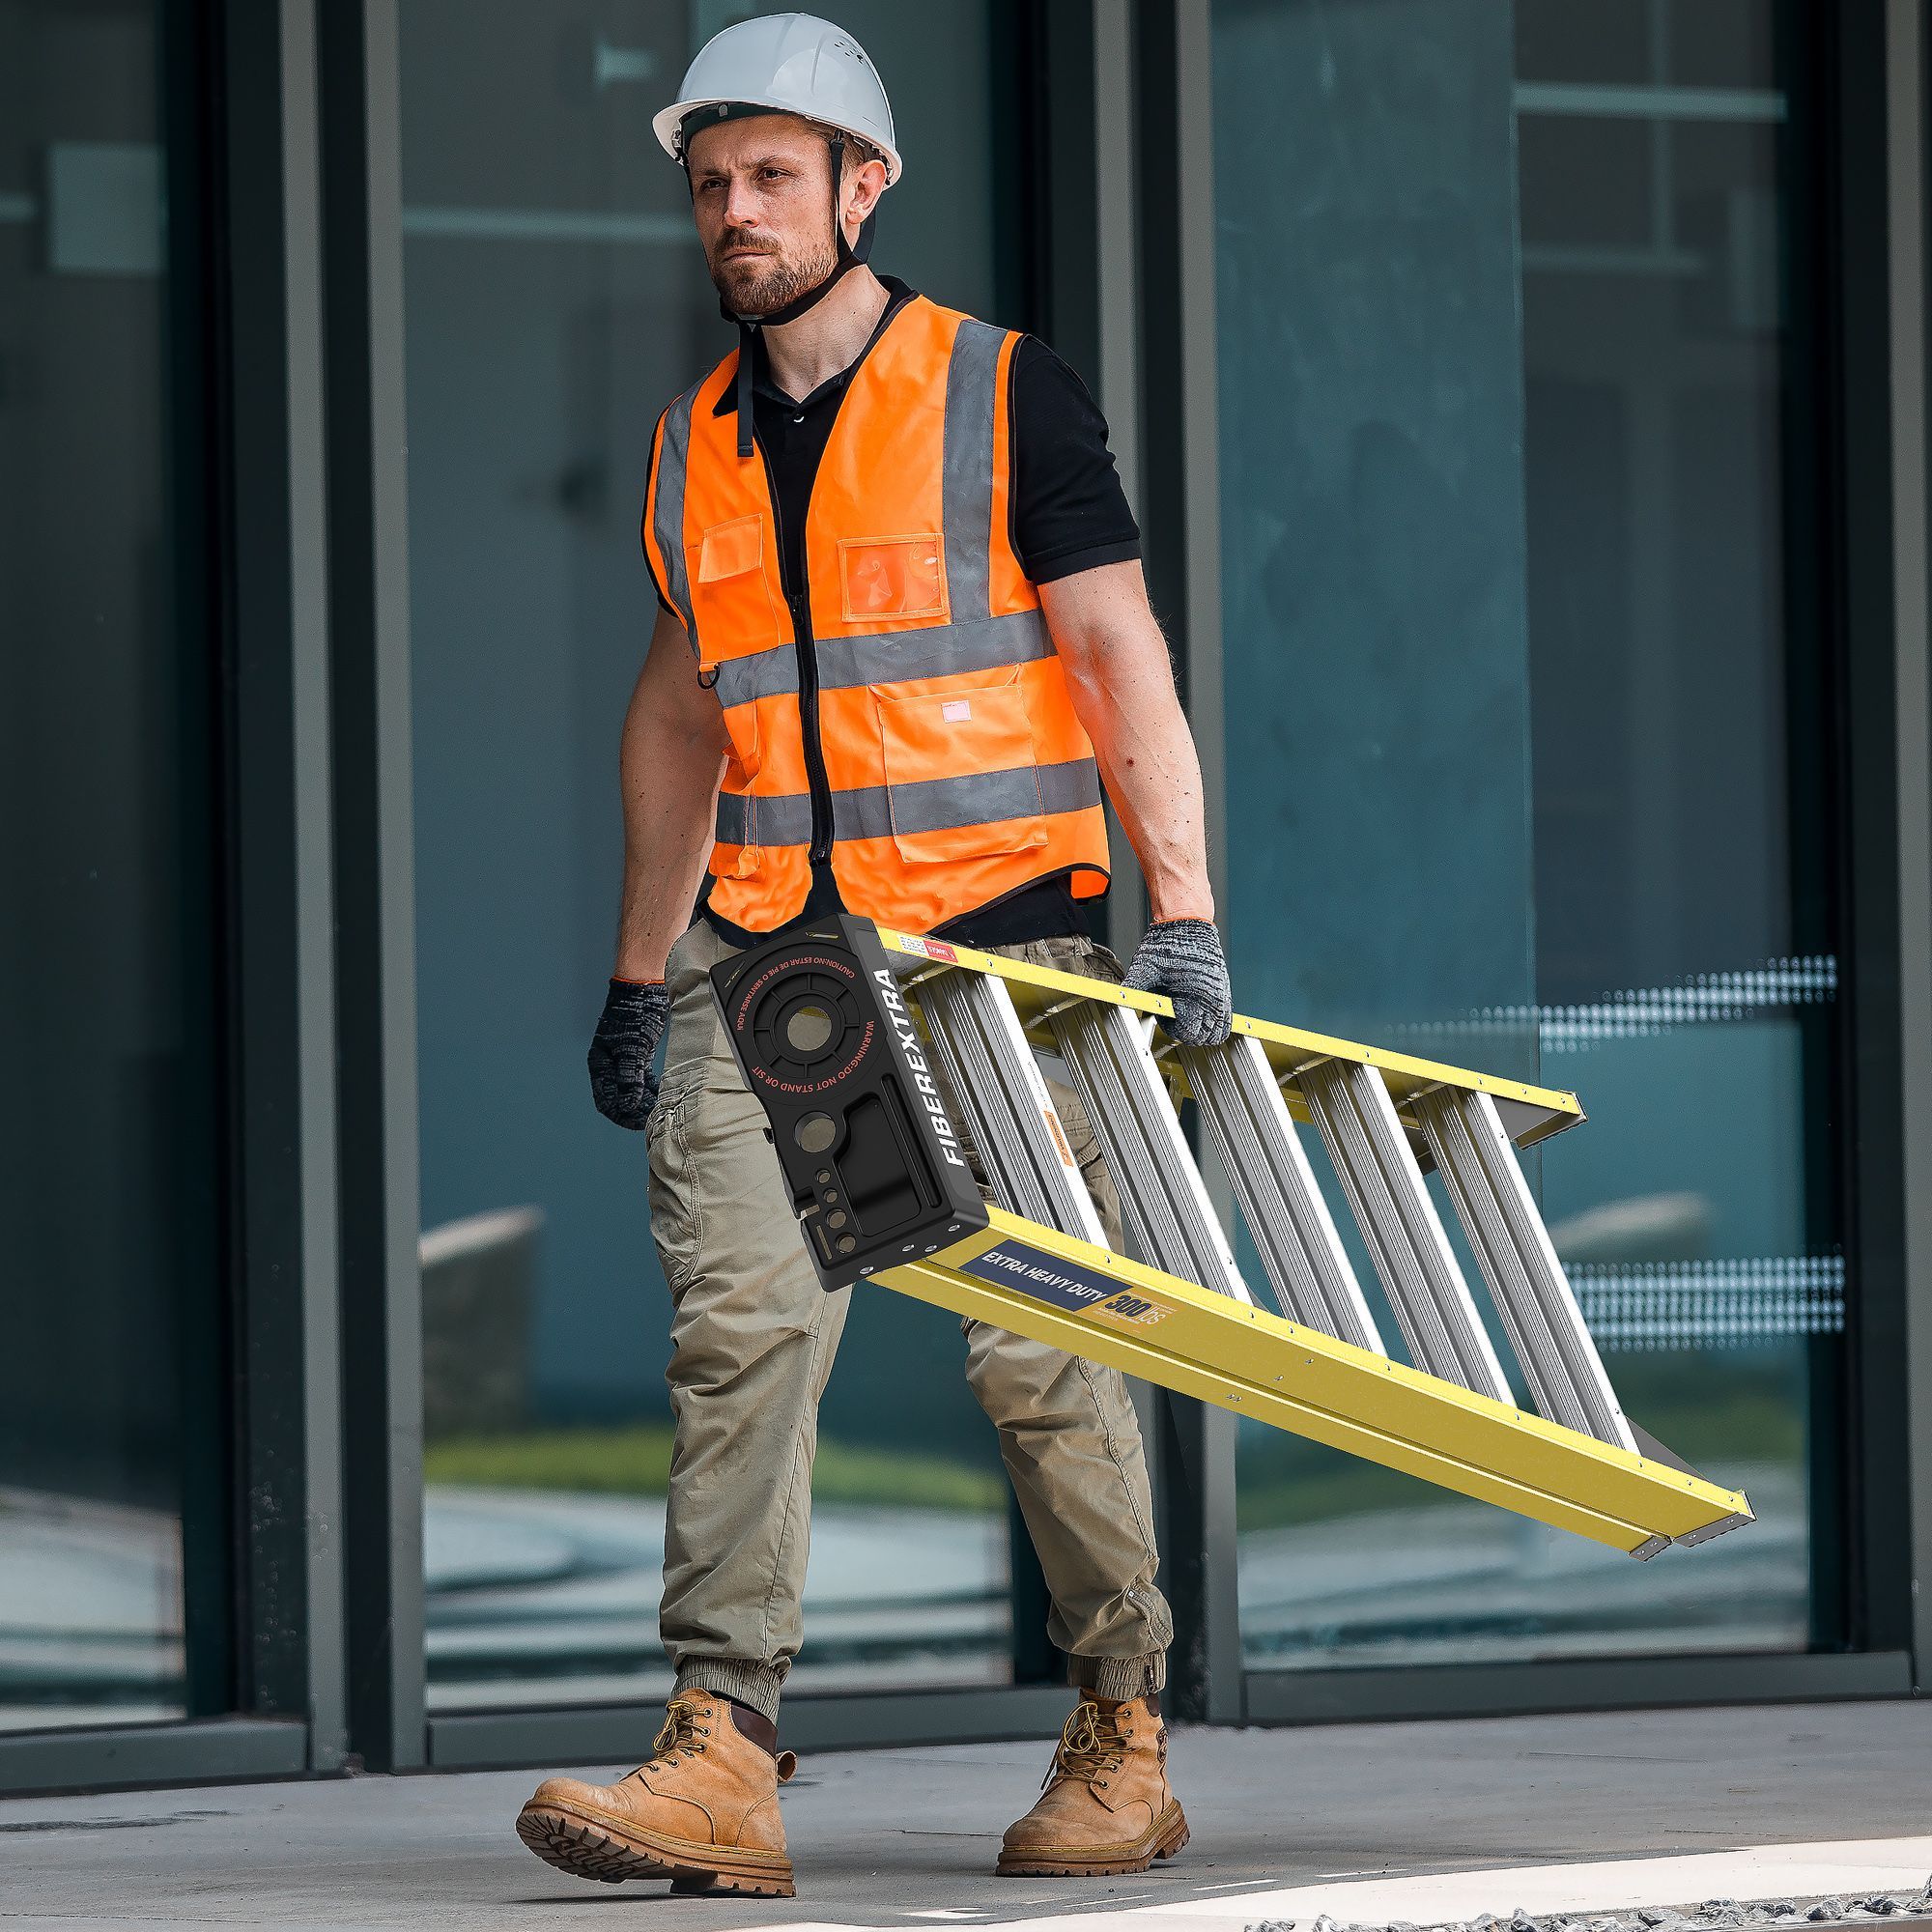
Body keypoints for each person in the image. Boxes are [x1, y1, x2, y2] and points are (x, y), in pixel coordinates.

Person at [515, 13, 1233, 1901]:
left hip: (996, 948)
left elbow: (1116, 656)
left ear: (862, 185)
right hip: (777, 965)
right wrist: (629, 969)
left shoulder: (1004, 394)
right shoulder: (696, 449)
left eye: (767, 176)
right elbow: (682, 716)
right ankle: (720, 1747)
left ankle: (1120, 1719)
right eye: (706, 183)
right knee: (743, 1327)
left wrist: (1185, 915)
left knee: (1038, 1349)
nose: (732, 213)